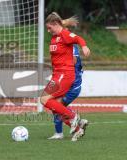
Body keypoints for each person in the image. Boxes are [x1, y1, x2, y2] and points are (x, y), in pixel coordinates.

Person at [40, 12, 90, 141]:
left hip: (64, 74)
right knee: (53, 104)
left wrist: (84, 47)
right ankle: (77, 128)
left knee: (45, 100)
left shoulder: (65, 35)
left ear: (56, 24)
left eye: (49, 27)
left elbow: (78, 39)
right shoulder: (55, 36)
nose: (48, 30)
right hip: (57, 74)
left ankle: (74, 117)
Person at [48, 44, 88, 140]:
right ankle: (64, 130)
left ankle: (74, 122)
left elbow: (73, 61)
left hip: (73, 87)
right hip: (65, 84)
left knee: (57, 106)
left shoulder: (72, 46)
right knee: (56, 107)